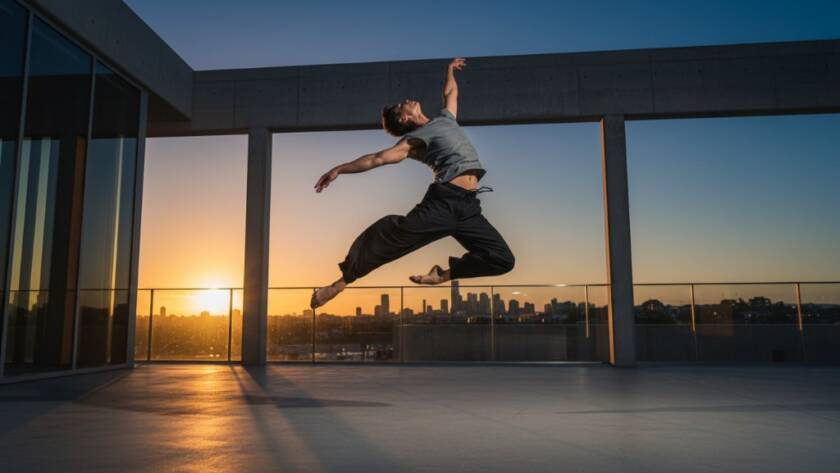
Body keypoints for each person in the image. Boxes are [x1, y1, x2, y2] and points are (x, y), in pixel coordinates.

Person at [310, 57, 515, 309]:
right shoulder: (413, 139)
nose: (406, 100)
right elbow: (378, 158)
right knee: (392, 239)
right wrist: (340, 169)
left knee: (503, 259)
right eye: (401, 105)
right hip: (443, 203)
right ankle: (338, 285)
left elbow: (451, 92)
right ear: (404, 119)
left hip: (469, 207)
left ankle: (442, 275)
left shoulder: (445, 119)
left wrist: (449, 69)